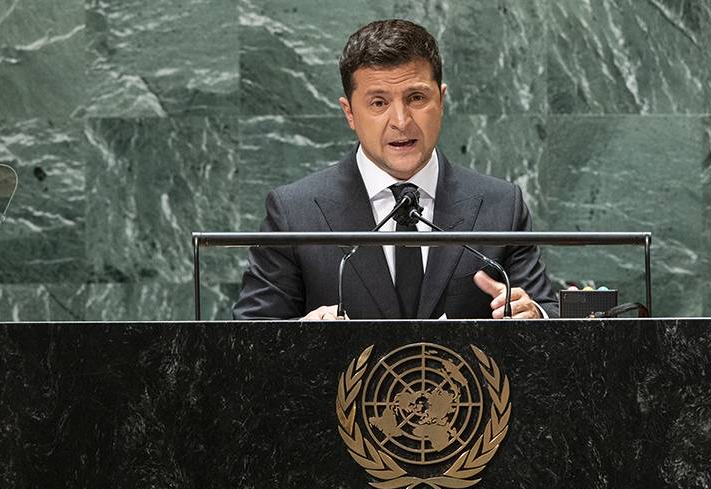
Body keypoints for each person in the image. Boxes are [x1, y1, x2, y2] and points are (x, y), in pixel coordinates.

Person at [233, 19, 557, 320]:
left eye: (416, 98)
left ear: (441, 101)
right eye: (379, 103)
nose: (401, 121)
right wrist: (302, 336)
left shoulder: (500, 206)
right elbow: (251, 333)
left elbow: (548, 312)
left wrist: (533, 316)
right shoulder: (294, 213)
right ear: (349, 113)